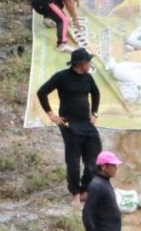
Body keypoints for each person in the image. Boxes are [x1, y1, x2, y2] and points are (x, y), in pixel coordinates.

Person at [36, 47, 101, 207]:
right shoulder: (62, 77)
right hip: (69, 123)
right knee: (73, 160)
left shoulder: (88, 78)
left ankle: (86, 188)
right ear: (80, 63)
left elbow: (96, 93)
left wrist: (94, 113)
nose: (89, 64)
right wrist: (51, 115)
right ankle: (75, 193)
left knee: (93, 156)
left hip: (86, 123)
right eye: (88, 62)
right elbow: (42, 92)